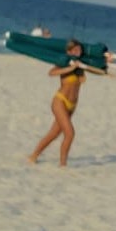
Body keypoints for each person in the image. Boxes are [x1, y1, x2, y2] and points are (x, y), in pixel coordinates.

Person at [28, 39, 94, 167]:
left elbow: (93, 72)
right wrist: (70, 68)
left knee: (54, 134)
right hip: (60, 101)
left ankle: (34, 155)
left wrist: (105, 61)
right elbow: (51, 73)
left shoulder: (81, 66)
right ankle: (63, 164)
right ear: (69, 51)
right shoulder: (64, 62)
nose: (78, 52)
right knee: (70, 133)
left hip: (72, 105)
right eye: (75, 50)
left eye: (79, 50)